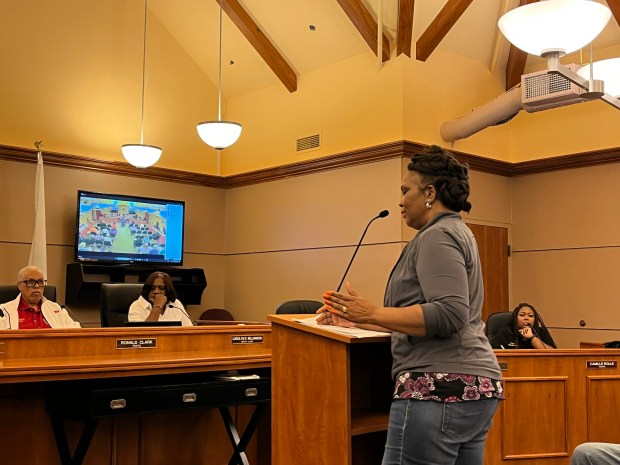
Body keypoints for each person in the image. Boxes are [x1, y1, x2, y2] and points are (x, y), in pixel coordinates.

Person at [318, 145, 503, 465]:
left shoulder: (438, 235)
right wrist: (354, 319)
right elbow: (419, 318)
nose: (401, 200)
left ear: (429, 192)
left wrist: (373, 311)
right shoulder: (459, 230)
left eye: (406, 190)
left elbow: (449, 314)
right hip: (473, 387)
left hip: (437, 387)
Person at [0, 266, 80, 329]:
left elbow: (76, 333)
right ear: (19, 285)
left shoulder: (56, 308)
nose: (37, 286)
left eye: (40, 282)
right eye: (30, 282)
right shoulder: (4, 311)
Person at [128, 271, 192, 326]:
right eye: (152, 288)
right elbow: (143, 334)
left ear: (167, 290)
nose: (156, 291)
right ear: (147, 290)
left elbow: (189, 329)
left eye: (161, 288)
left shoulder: (176, 304)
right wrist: (157, 306)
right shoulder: (137, 305)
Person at [489, 302, 556, 349]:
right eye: (522, 315)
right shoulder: (506, 332)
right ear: (515, 318)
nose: (526, 318)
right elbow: (492, 352)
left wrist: (532, 337)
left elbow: (552, 354)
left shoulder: (540, 332)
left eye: (530, 316)